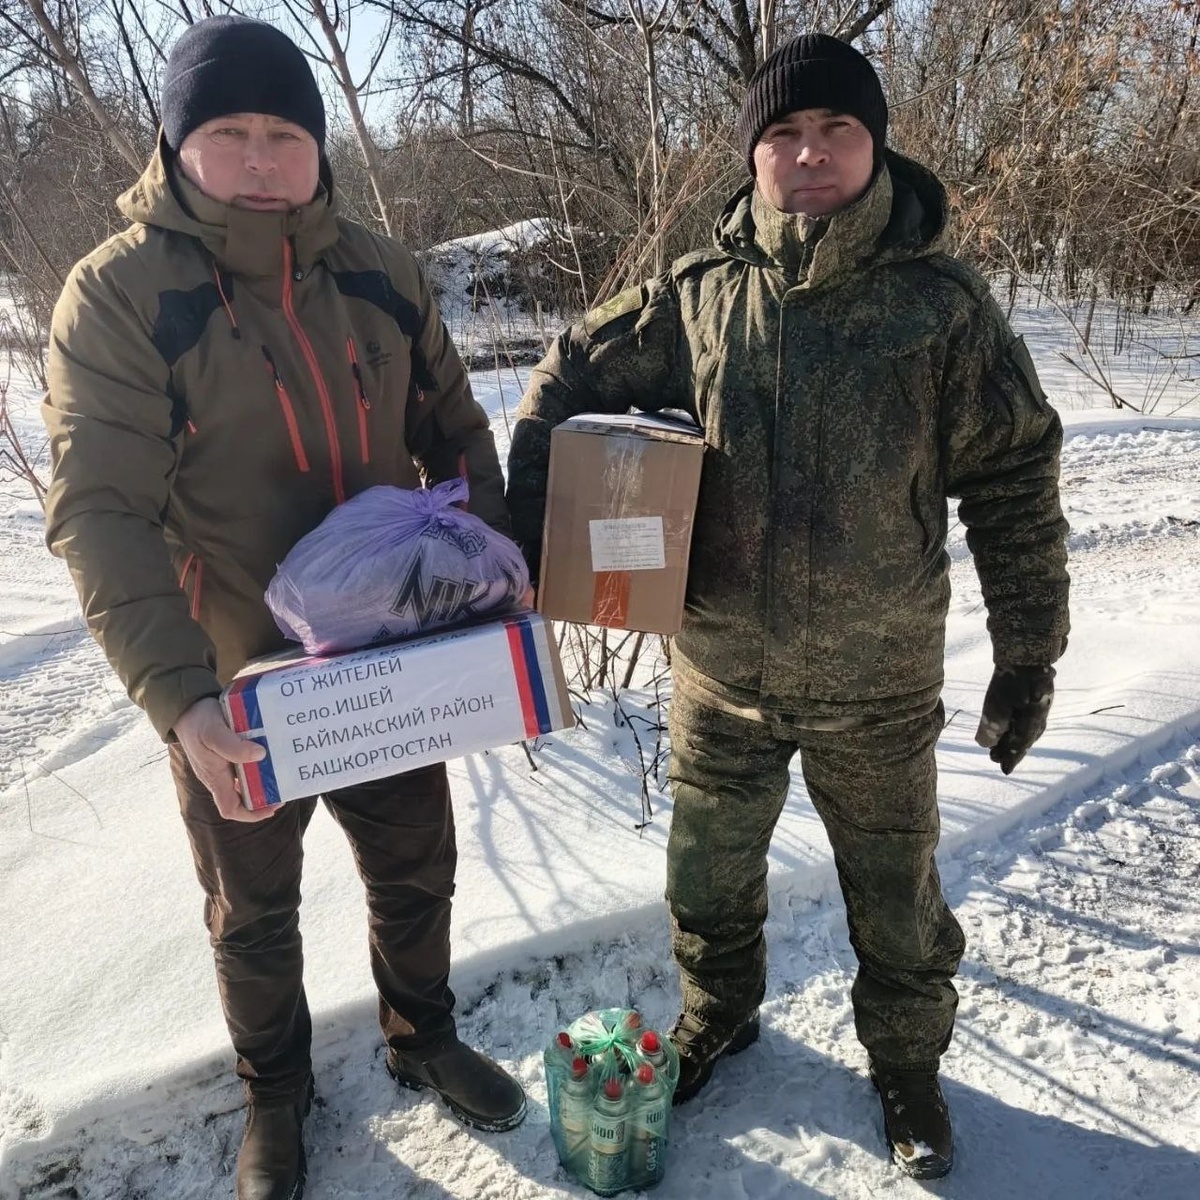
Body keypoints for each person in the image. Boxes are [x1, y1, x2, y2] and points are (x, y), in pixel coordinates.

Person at [506, 32, 1069, 1180]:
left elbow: (1015, 476)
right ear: (754, 153)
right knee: (705, 878)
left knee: (897, 897)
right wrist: (530, 529)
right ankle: (718, 1014)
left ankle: (907, 1065)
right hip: (721, 673)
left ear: (876, 147)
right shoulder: (702, 297)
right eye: (785, 134)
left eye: (836, 130)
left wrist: (1029, 652)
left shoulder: (940, 309)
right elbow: (569, 374)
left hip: (879, 682)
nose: (810, 153)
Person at [43, 16, 526, 1200]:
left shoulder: (381, 272)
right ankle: (277, 1095)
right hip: (239, 685)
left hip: (390, 664)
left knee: (416, 867)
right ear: (176, 143)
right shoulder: (119, 294)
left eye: (284, 134)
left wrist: (495, 579)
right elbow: (100, 511)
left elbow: (457, 434)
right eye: (229, 133)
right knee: (251, 910)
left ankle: (422, 1036)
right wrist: (178, 699)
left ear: (317, 148)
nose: (261, 160)